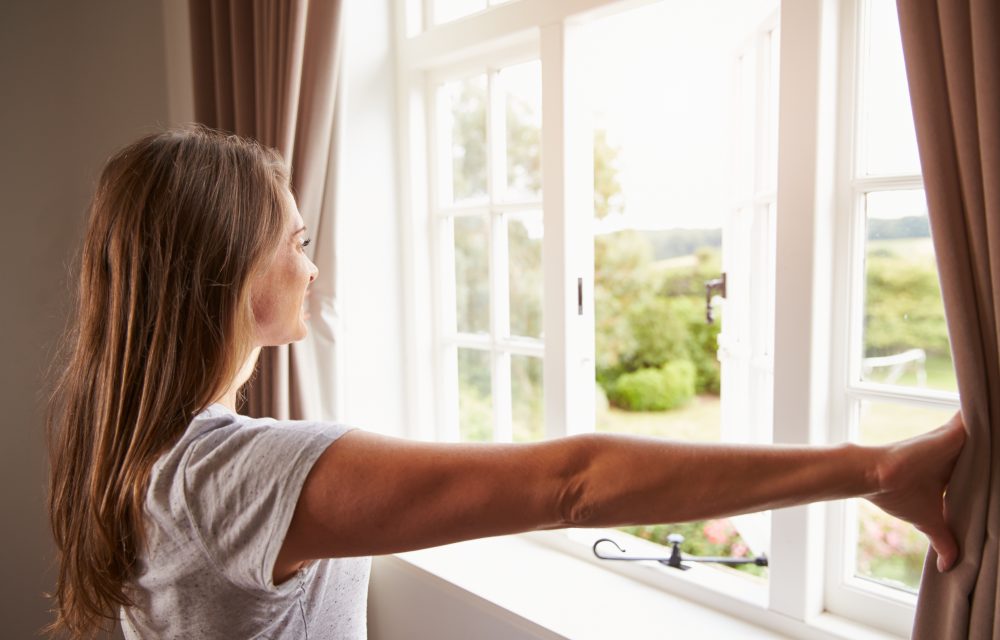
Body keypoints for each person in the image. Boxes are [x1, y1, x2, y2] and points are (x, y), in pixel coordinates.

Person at [46, 127, 965, 639]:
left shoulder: (137, 440)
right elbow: (572, 484)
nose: (311, 265)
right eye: (296, 242)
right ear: (235, 273)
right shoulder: (234, 475)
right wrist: (874, 468)